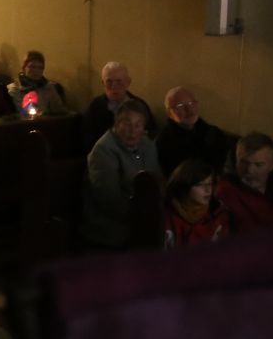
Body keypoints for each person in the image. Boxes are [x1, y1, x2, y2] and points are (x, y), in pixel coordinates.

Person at [81, 98, 162, 250]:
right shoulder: (103, 151)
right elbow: (109, 199)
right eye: (127, 124)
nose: (133, 131)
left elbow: (156, 181)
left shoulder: (147, 144)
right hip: (110, 226)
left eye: (138, 125)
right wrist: (141, 218)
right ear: (116, 124)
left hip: (143, 218)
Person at [156, 86, 234, 177]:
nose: (189, 110)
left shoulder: (213, 133)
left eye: (191, 103)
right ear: (169, 113)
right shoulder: (165, 142)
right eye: (180, 106)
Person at [82, 61, 156, 153]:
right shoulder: (95, 107)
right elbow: (87, 139)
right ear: (103, 83)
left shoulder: (140, 106)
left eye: (119, 81)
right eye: (109, 82)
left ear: (128, 82)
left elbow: (151, 134)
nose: (114, 86)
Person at [162, 159, 232, 248]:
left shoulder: (218, 214)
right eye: (200, 184)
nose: (208, 190)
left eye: (209, 184)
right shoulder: (166, 217)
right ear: (185, 186)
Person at [8, 50, 69, 116]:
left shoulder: (48, 87)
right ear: (24, 68)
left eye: (40, 68)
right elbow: (18, 113)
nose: (36, 71)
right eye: (32, 67)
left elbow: (59, 110)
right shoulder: (15, 88)